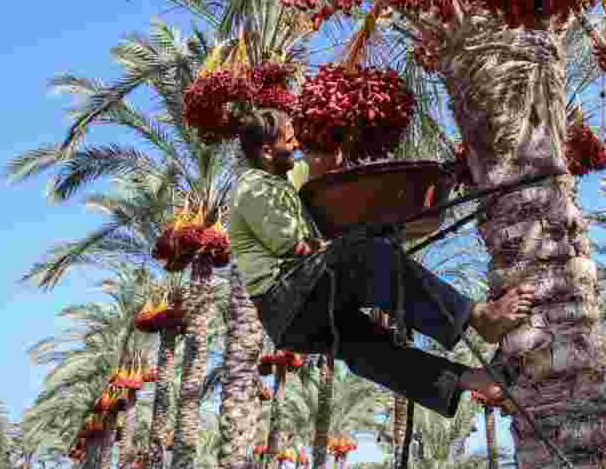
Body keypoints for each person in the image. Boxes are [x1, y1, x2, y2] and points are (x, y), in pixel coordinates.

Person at [228, 108, 535, 418]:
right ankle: (479, 317)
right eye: (290, 141)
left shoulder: (282, 177)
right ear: (266, 151)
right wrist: (357, 239)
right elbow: (296, 247)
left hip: (293, 319)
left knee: (370, 348)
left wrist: (341, 129)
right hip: (287, 296)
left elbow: (321, 165)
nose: (297, 147)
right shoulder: (254, 186)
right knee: (366, 254)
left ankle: (477, 381)